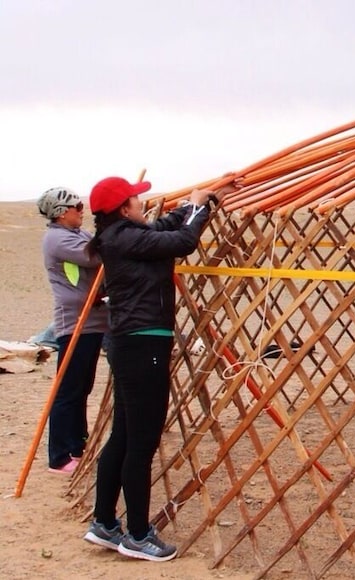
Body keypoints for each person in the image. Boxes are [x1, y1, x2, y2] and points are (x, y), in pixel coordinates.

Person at [82, 176, 229, 562]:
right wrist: (197, 210)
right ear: (123, 207)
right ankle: (139, 535)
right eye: (136, 197)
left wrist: (200, 204)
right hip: (143, 343)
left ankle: (104, 523)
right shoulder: (125, 237)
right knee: (141, 443)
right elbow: (182, 241)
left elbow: (163, 229)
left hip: (132, 342)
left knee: (125, 435)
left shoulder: (124, 234)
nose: (141, 201)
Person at [37, 187, 109, 475]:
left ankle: (78, 445)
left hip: (92, 321)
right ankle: (60, 455)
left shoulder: (77, 234)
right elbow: (96, 257)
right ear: (61, 211)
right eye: (76, 206)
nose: (82, 209)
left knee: (81, 387)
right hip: (75, 324)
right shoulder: (58, 239)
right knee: (69, 389)